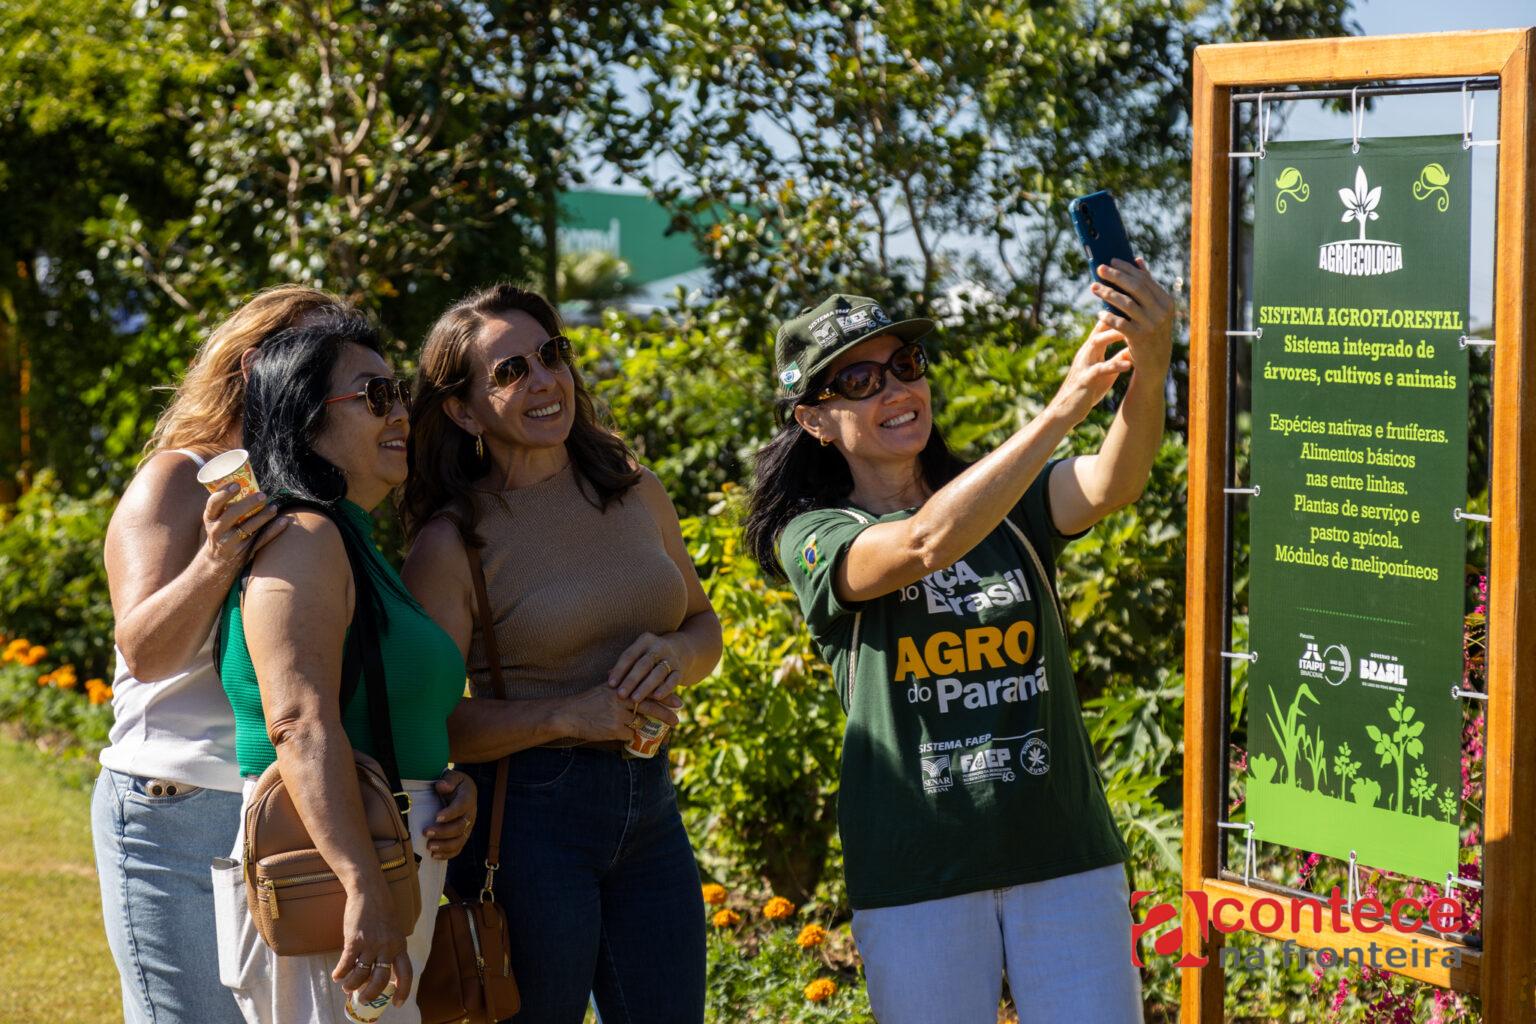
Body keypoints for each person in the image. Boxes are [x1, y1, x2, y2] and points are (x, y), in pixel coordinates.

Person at [745, 265, 1172, 1023]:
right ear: (814, 421)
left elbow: (1117, 480)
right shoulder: (814, 535)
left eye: (905, 366)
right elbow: (922, 544)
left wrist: (1153, 357)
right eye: (860, 382)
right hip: (918, 877)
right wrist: (1062, 410)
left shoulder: (1005, 502)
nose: (895, 391)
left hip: (1064, 855)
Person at [96, 286, 464, 1024]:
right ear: (265, 369)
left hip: (294, 798)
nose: (396, 411)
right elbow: (144, 651)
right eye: (370, 391)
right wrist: (216, 559)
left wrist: (428, 780)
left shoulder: (328, 508)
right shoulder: (184, 477)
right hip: (178, 798)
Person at [400, 283, 722, 1024]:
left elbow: (704, 625)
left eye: (552, 354)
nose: (545, 380)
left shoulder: (634, 488)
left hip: (652, 805)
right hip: (528, 825)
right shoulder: (452, 543)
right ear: (463, 411)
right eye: (510, 371)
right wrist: (569, 715)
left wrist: (676, 654)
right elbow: (430, 726)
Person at [210, 310, 471, 1023]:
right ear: (306, 419)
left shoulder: (351, 542)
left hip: (373, 853)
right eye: (374, 396)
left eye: (399, 393)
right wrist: (360, 882)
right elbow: (297, 722)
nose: (401, 414)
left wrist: (442, 787)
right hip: (328, 868)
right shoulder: (304, 538)